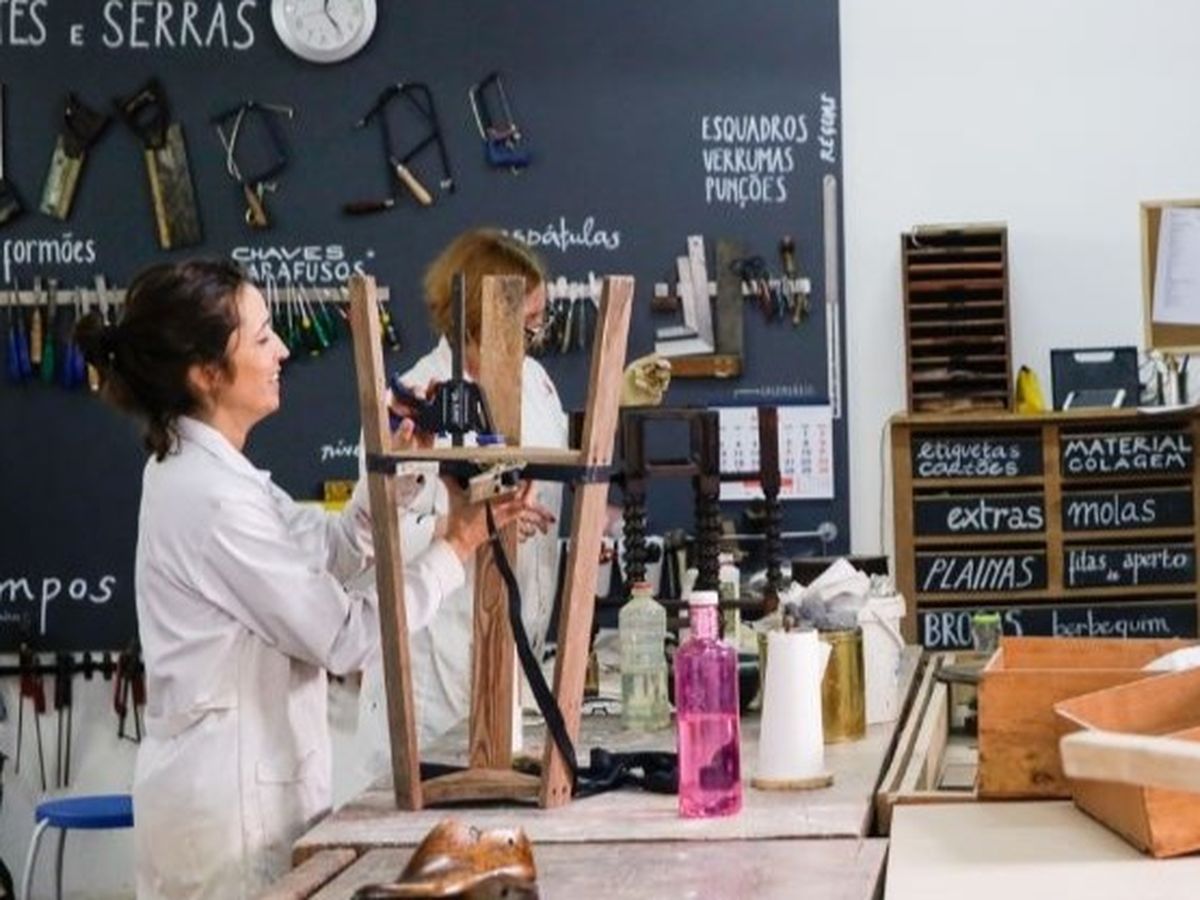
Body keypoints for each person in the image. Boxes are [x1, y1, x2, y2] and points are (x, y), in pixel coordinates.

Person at [76, 259, 526, 899]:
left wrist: (397, 475)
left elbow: (327, 549)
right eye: (262, 337)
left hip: (241, 798)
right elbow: (344, 638)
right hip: (228, 819)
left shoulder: (216, 475)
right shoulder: (210, 498)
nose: (283, 350)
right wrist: (456, 547)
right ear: (206, 374)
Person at [358, 229, 562, 770]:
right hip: (434, 667)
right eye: (527, 322)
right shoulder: (412, 404)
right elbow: (374, 539)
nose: (536, 335)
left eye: (540, 320)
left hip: (519, 655)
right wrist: (469, 523)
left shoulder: (536, 383)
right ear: (479, 319)